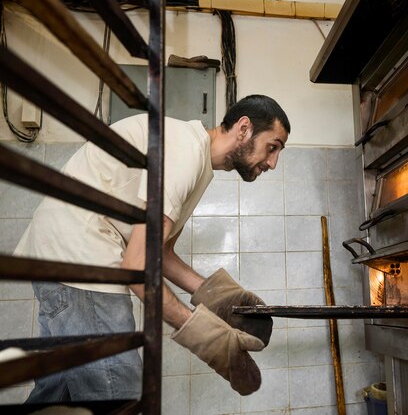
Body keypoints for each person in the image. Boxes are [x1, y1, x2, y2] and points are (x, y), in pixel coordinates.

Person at [13, 94, 290, 402]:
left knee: (56, 395)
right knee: (119, 395)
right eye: (272, 147)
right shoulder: (185, 152)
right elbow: (138, 266)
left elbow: (159, 252)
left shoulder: (194, 157)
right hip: (80, 252)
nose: (273, 162)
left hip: (61, 254)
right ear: (244, 128)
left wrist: (219, 298)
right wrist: (210, 341)